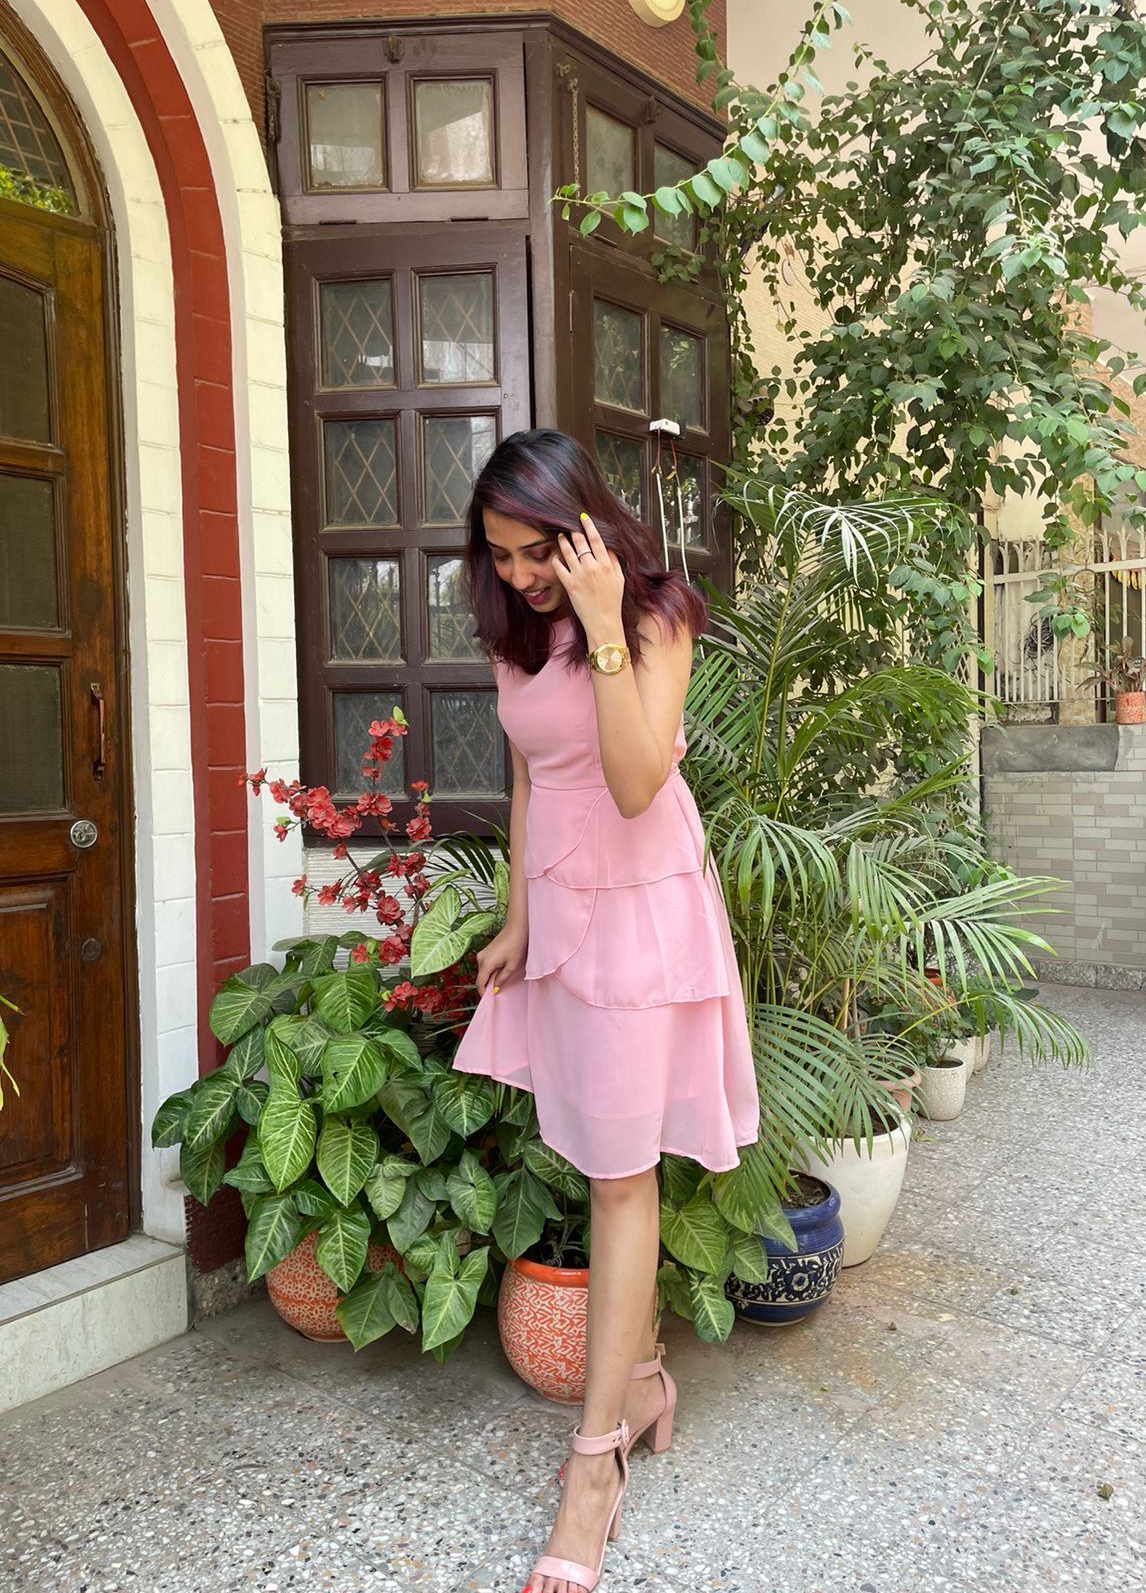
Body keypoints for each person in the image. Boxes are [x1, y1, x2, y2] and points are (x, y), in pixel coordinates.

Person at [452, 428, 759, 1593]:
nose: (521, 574)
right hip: (564, 915)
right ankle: (640, 1383)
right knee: (592, 1153)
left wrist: (604, 625)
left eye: (537, 551)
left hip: (641, 911)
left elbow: (634, 782)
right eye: (500, 554)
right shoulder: (517, 633)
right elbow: (532, 777)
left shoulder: (657, 616)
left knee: (621, 1174)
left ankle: (594, 1471)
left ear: (584, 526)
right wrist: (518, 919)